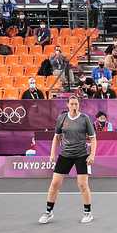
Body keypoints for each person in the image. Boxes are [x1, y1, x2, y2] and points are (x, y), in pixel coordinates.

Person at [38, 96, 97, 225]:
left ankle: (88, 213)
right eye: (72, 104)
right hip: (65, 155)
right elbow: (56, 137)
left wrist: (92, 155)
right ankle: (48, 212)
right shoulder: (62, 118)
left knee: (82, 184)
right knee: (55, 184)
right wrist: (52, 153)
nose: (74, 106)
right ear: (67, 105)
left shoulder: (85, 119)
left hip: (81, 155)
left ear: (78, 105)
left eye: (76, 104)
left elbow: (93, 138)